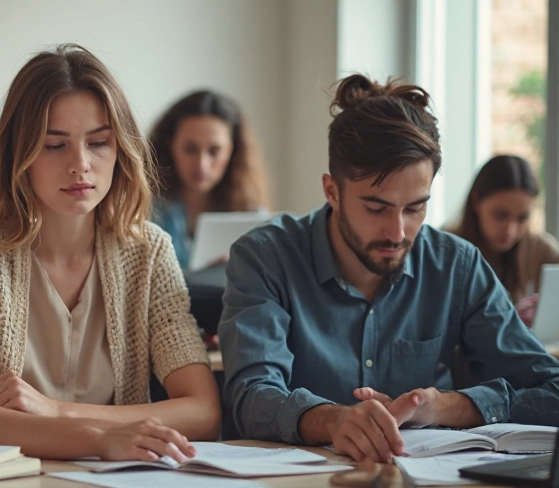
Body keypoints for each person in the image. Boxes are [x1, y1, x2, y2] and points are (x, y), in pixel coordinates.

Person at [218, 74, 559, 464]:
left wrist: (445, 407)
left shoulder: (456, 266)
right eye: (376, 208)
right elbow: (251, 396)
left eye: (415, 207)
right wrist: (331, 420)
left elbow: (552, 388)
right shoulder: (264, 258)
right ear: (332, 191)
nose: (397, 232)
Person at [0, 45, 220, 462]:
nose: (80, 164)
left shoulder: (149, 252)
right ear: (18, 154)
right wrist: (98, 439)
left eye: (98, 142)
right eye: (54, 146)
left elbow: (203, 410)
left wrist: (58, 411)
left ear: (120, 150)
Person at [149, 90, 269, 269]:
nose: (202, 164)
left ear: (232, 151)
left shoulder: (250, 215)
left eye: (214, 151)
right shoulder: (144, 210)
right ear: (170, 146)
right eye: (190, 149)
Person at [449, 155, 559, 325]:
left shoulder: (541, 249)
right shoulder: (443, 249)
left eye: (522, 218)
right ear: (476, 201)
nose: (511, 231)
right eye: (500, 216)